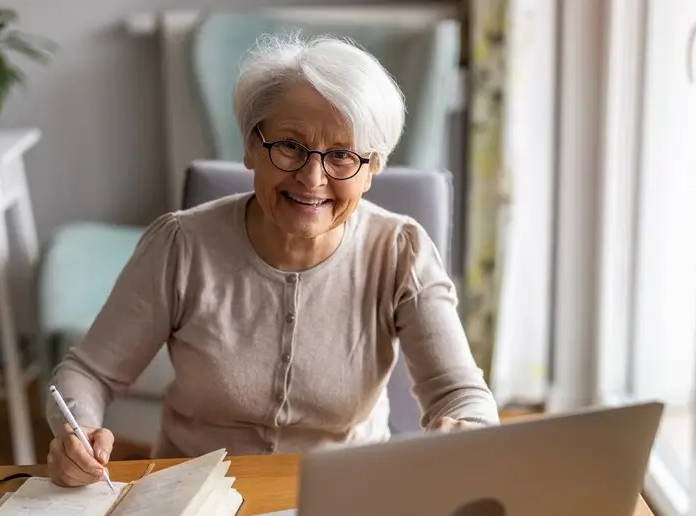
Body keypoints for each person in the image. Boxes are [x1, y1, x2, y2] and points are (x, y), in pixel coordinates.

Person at [46, 33, 500, 487]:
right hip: (190, 496)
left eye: (342, 155)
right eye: (290, 146)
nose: (312, 178)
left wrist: (469, 430)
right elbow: (88, 371)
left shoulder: (401, 252)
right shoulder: (180, 244)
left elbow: (460, 394)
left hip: (345, 493)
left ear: (372, 168)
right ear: (250, 146)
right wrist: (78, 428)